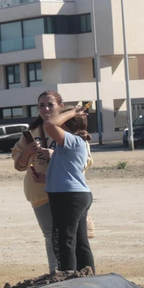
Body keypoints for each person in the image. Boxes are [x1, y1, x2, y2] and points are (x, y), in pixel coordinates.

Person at [40, 95, 95, 273]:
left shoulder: (72, 141)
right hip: (72, 194)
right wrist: (46, 178)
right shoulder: (72, 143)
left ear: (66, 124)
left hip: (69, 196)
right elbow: (66, 170)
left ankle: (68, 278)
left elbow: (49, 125)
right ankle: (87, 275)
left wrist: (72, 112)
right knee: (78, 241)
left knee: (65, 240)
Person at [12, 113, 59, 275]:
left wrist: (56, 155)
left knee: (71, 235)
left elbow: (84, 161)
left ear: (60, 106)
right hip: (40, 192)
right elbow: (18, 165)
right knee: (50, 234)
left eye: (50, 104)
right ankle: (55, 272)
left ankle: (73, 270)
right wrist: (26, 152)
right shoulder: (32, 133)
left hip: (66, 191)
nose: (45, 109)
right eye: (41, 105)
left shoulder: (68, 130)